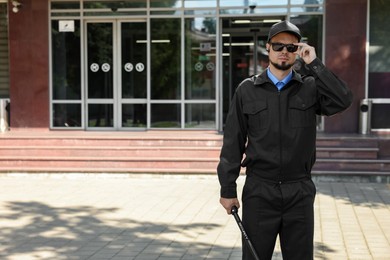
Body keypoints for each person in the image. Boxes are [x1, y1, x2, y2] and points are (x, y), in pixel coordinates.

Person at [217, 20, 353, 260]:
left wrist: (315, 64)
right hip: (259, 191)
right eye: (278, 46)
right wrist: (228, 189)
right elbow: (232, 143)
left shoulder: (310, 87)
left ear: (298, 51)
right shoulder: (247, 90)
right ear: (268, 48)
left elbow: (342, 99)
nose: (284, 52)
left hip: (298, 192)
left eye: (291, 47)